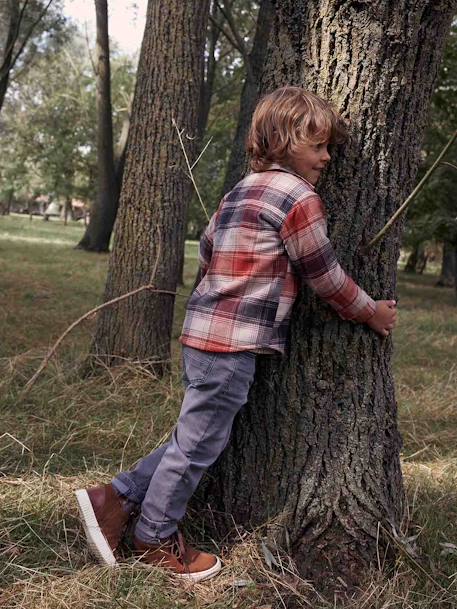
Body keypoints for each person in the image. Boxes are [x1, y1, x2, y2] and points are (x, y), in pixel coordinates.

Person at [75, 86, 397, 582]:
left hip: (203, 334)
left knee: (195, 436)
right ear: (289, 140)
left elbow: (207, 250)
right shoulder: (298, 197)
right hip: (232, 343)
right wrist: (370, 311)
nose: (327, 158)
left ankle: (114, 499)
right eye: (319, 147)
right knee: (199, 445)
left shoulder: (240, 190)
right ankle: (155, 538)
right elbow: (324, 274)